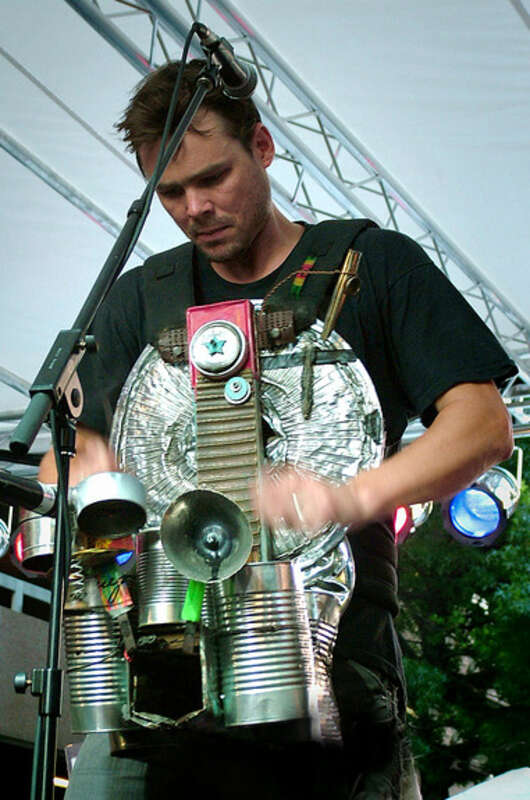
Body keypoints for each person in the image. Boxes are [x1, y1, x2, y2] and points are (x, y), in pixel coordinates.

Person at [39, 60, 515, 799]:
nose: (195, 207)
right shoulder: (139, 299)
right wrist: (91, 481)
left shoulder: (371, 264)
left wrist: (350, 496)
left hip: (331, 670)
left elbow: (483, 425)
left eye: (214, 178)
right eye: (171, 192)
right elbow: (66, 460)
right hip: (158, 678)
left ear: (262, 145)